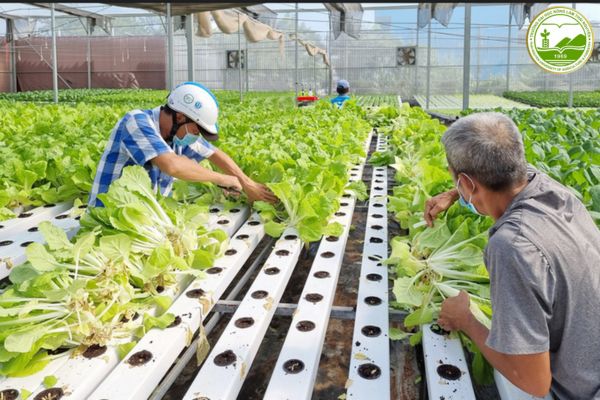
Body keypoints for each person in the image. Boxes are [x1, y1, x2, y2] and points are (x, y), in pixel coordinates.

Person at [425, 112, 600, 399]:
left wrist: (466, 319)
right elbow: (503, 172)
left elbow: (534, 381)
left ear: (468, 183)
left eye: (457, 182)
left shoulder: (513, 246)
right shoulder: (552, 190)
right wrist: (453, 194)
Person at [88, 82, 277, 207]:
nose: (194, 138)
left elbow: (214, 153)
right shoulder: (136, 121)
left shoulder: (175, 134)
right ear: (179, 116)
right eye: (195, 131)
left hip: (143, 220)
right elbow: (172, 165)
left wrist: (247, 183)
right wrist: (221, 179)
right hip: (109, 218)